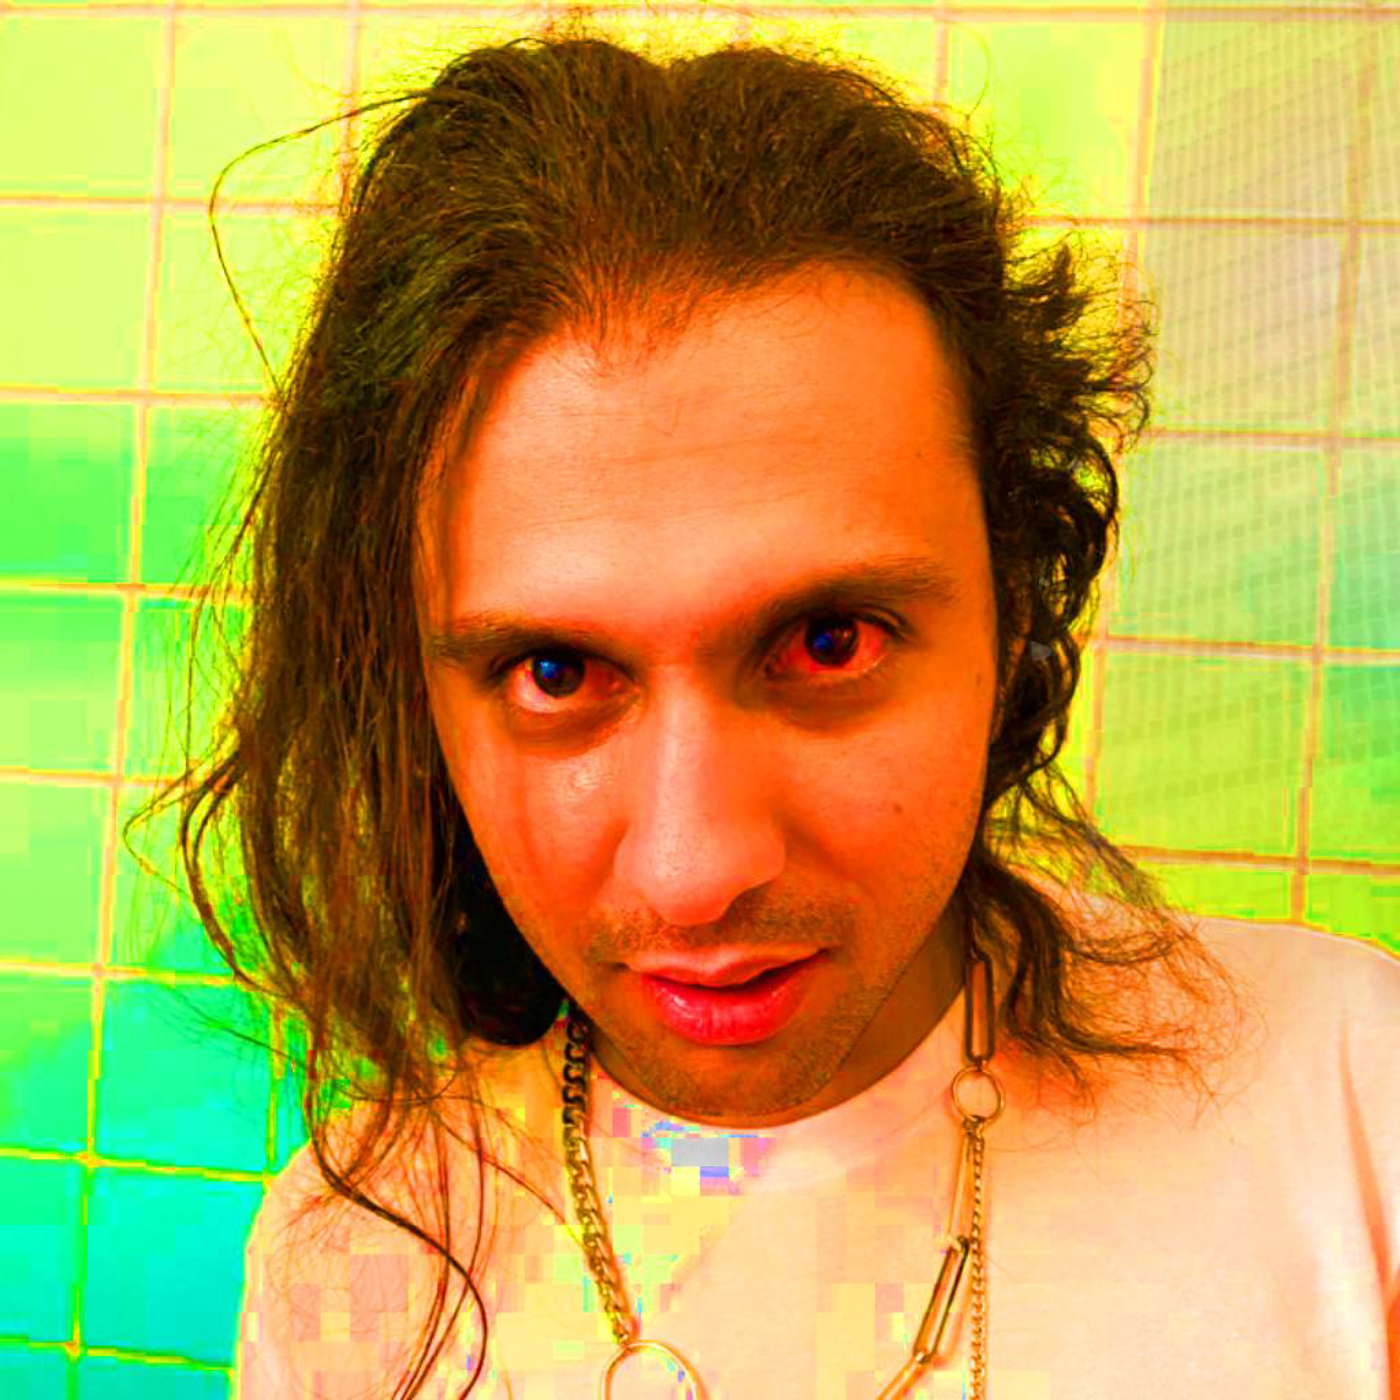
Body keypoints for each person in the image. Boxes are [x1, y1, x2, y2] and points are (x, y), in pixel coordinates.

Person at [123, 17, 1400, 1400]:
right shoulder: (362, 1252)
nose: (696, 870)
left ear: (1013, 609)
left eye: (828, 643)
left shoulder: (1353, 1110)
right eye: (555, 674)